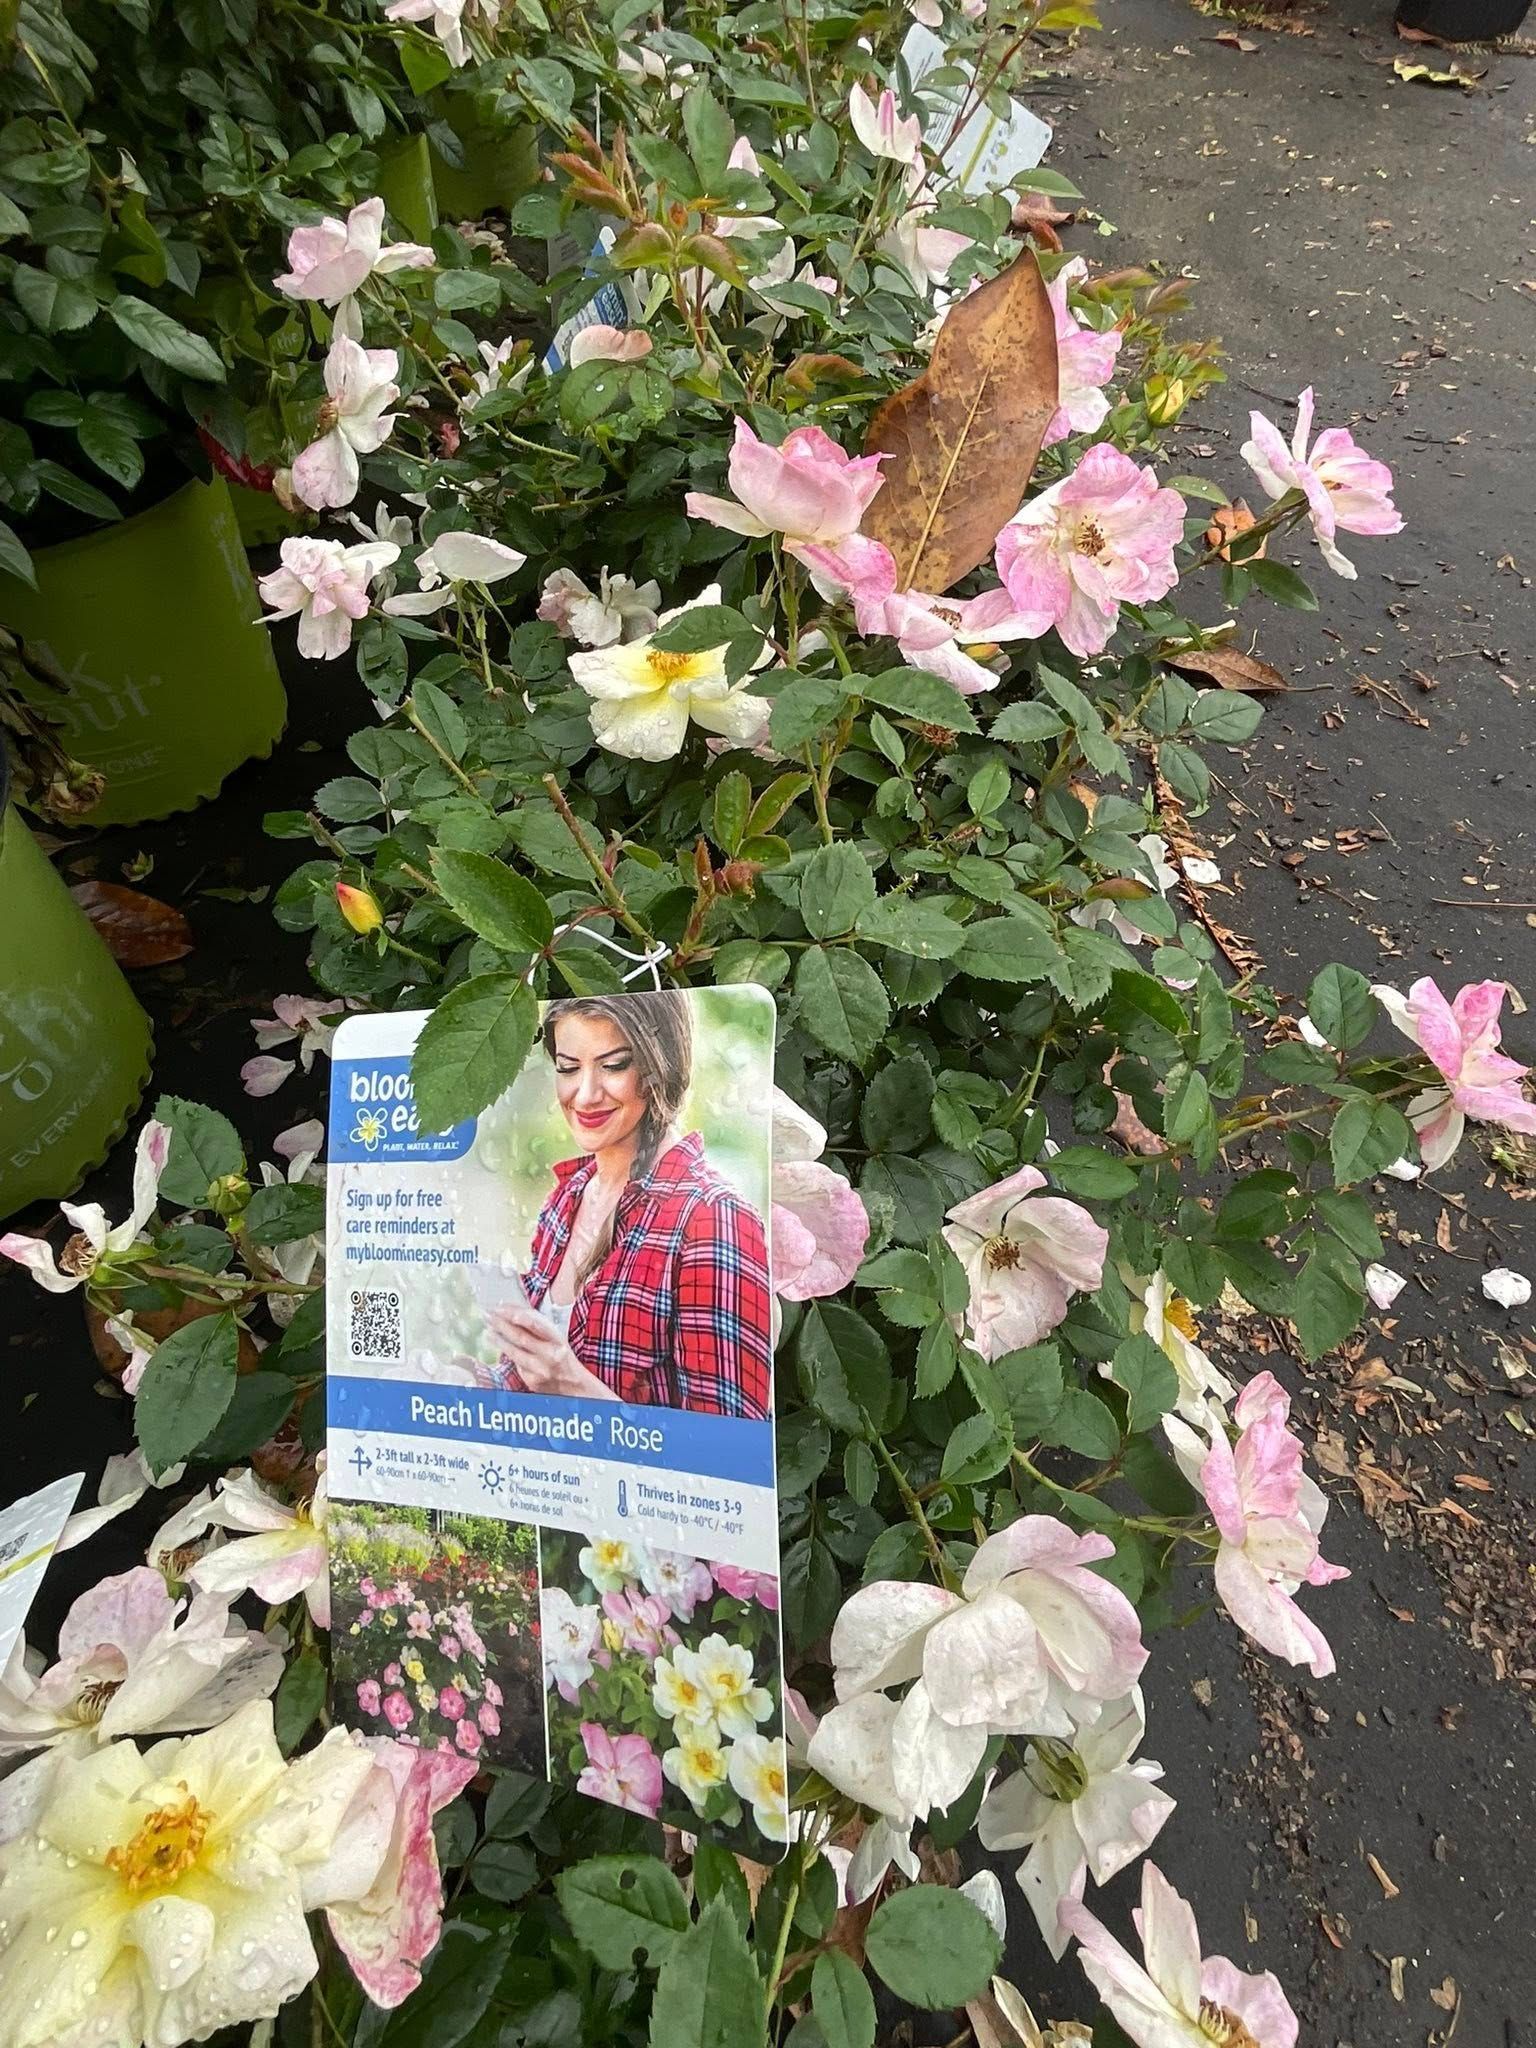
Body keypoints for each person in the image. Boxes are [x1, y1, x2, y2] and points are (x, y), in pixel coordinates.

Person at [486, 992, 773, 1419]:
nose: (585, 1095)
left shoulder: (713, 1217)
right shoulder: (567, 1197)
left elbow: (724, 1449)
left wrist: (571, 1384)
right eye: (568, 1068)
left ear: (661, 1065)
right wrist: (477, 1382)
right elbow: (528, 1386)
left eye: (614, 1065)